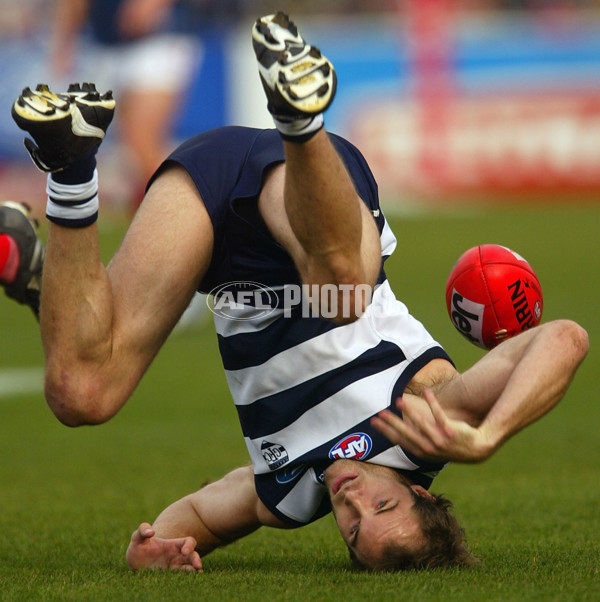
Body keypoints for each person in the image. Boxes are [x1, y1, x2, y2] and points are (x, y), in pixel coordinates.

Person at [2, 12, 588, 572]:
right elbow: (564, 339)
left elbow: (195, 516)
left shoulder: (289, 497)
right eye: (382, 505)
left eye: (353, 530)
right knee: (344, 291)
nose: (353, 502)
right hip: (304, 203)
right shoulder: (425, 426)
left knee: (80, 393)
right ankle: (300, 118)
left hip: (212, 224)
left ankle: (70, 165)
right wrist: (486, 436)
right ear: (421, 493)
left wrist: (156, 545)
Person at [50, 0, 200, 209]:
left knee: (142, 142)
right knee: (127, 151)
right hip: (104, 46)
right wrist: (65, 42)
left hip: (157, 39)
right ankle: (154, 212)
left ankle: (183, 210)